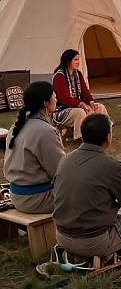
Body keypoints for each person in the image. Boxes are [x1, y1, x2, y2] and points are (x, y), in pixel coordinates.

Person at [53, 113, 121, 257]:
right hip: (93, 243)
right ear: (108, 137)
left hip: (62, 237)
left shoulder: (66, 159)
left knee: (118, 211)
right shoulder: (111, 166)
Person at [4, 81, 65, 213]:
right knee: (87, 192)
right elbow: (60, 171)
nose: (56, 97)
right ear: (45, 103)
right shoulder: (45, 131)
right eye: (53, 94)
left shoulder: (15, 127)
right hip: (38, 199)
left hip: (17, 196)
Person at [52, 50, 108, 141]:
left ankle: (103, 133)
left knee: (99, 107)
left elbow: (85, 91)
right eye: (75, 60)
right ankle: (80, 137)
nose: (78, 62)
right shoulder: (59, 76)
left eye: (79, 59)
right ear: (68, 60)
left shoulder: (77, 74)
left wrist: (91, 101)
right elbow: (64, 99)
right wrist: (81, 104)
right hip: (62, 109)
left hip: (77, 104)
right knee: (80, 112)